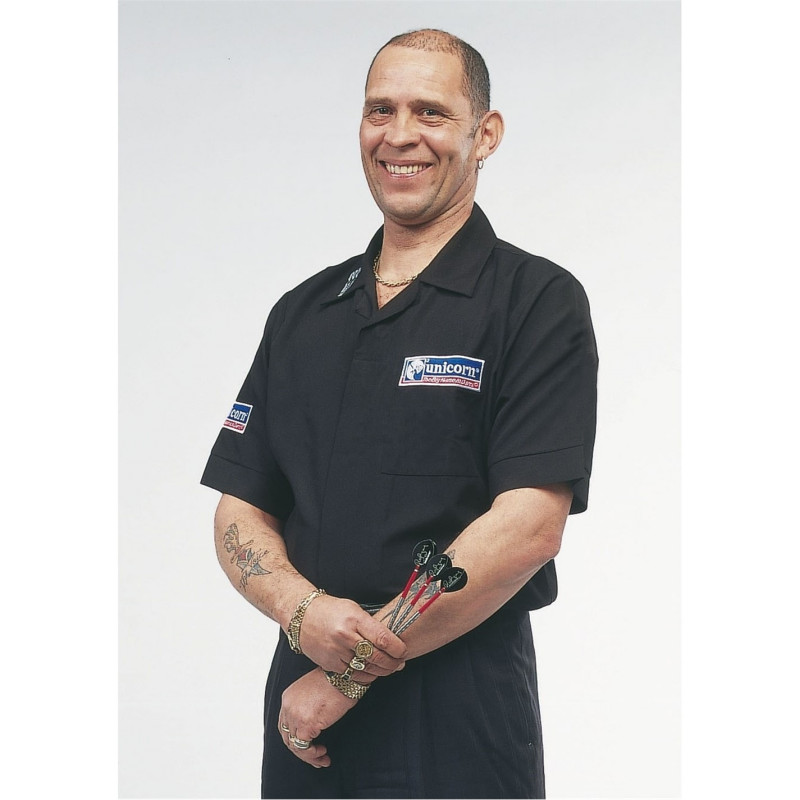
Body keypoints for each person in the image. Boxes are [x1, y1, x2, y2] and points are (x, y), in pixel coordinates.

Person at [201, 28, 597, 799]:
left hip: (457, 709)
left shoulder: (535, 302)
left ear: (486, 135)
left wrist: (347, 673)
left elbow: (529, 525)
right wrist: (303, 611)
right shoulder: (305, 313)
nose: (399, 134)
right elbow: (239, 509)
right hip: (303, 707)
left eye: (431, 112)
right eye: (379, 110)